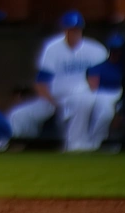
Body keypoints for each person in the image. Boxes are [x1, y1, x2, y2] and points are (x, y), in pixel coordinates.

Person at [22, 11, 107, 151]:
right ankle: (20, 145)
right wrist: (53, 102)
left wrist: (94, 94)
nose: (73, 32)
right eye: (70, 28)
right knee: (19, 115)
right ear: (64, 29)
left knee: (92, 105)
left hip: (86, 93)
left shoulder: (95, 49)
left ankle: (84, 144)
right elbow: (41, 82)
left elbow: (96, 79)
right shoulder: (52, 48)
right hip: (55, 97)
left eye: (76, 29)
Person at [86, 34, 125, 150]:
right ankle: (95, 142)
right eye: (114, 50)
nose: (116, 53)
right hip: (102, 95)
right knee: (106, 113)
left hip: (120, 94)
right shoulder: (99, 68)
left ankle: (114, 143)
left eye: (119, 50)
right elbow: (92, 86)